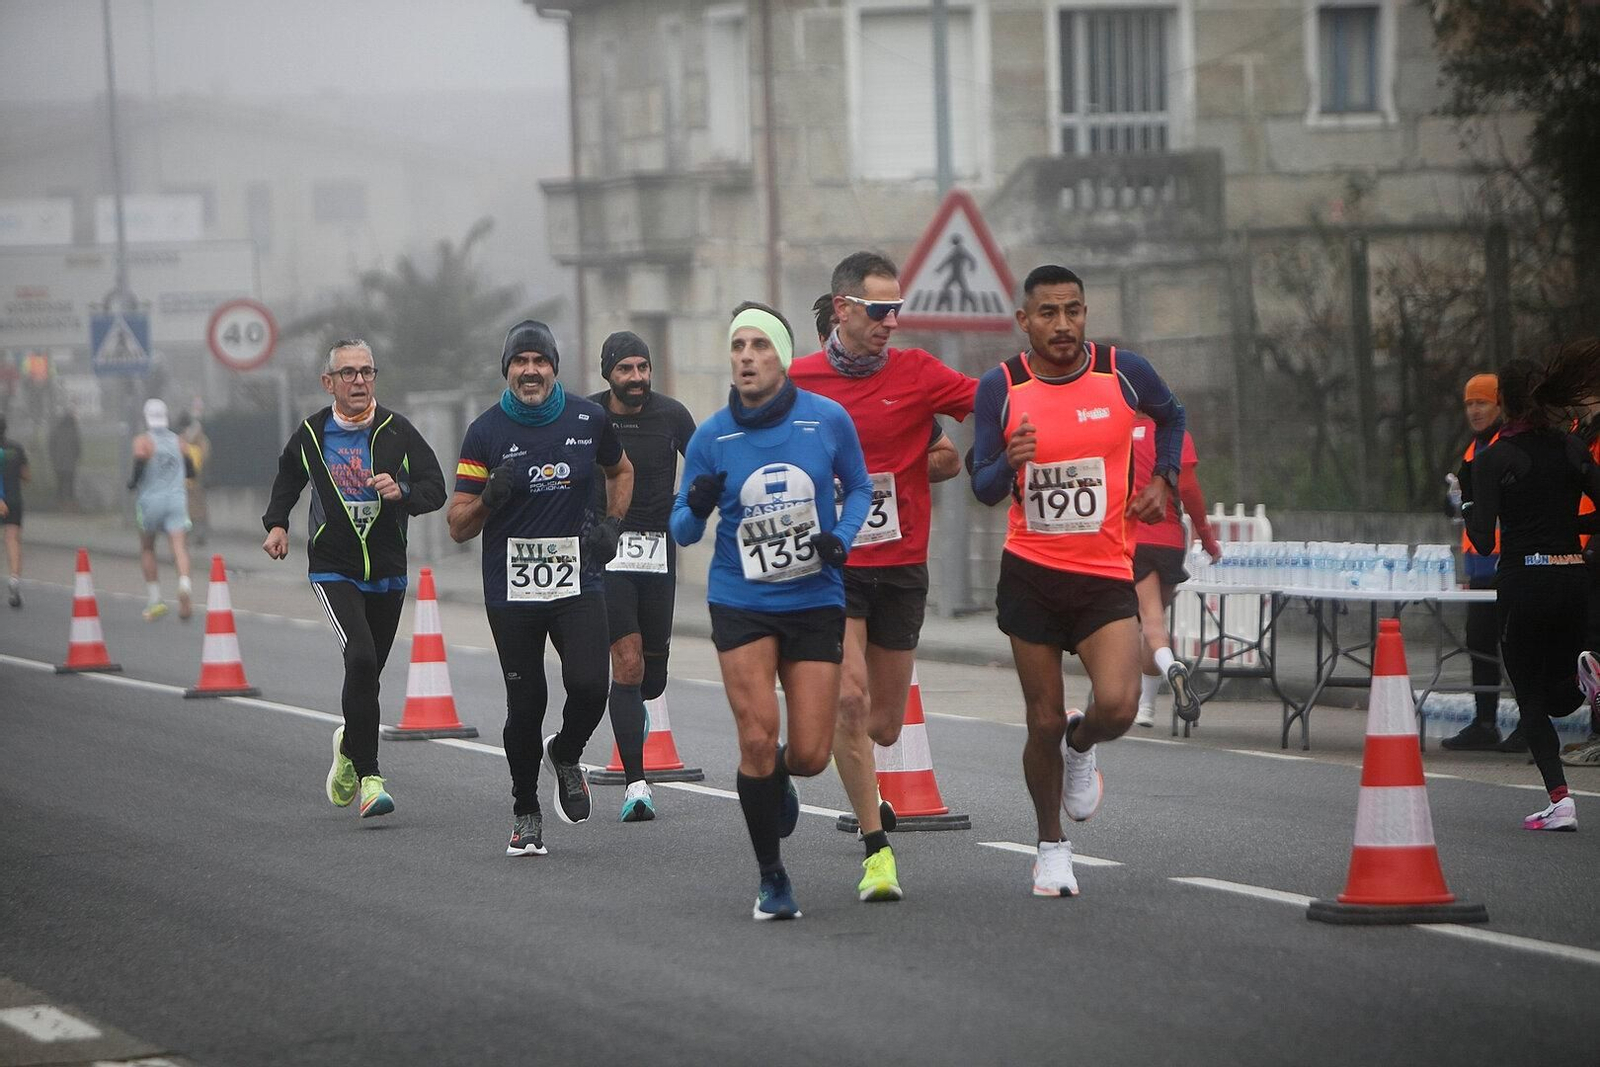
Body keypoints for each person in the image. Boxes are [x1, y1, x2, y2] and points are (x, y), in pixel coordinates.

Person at [969, 265, 1187, 896]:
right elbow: (981, 486)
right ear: (1024, 322)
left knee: (1118, 706)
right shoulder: (1001, 387)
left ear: (1086, 313)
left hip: (1103, 572)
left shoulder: (1123, 372)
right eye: (1047, 313)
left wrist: (1163, 481)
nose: (1062, 325)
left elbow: (1174, 417)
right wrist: (1008, 464)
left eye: (1073, 310)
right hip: (1032, 572)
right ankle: (1050, 847)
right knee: (1039, 719)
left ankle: (1082, 741)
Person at [671, 302, 871, 920]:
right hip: (742, 600)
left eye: (760, 346)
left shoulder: (826, 420)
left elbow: (861, 486)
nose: (747, 357)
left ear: (782, 358)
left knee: (808, 755)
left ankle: (779, 776)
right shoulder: (711, 437)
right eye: (738, 347)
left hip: (814, 598)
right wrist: (697, 503)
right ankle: (772, 877)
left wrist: (843, 536)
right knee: (757, 737)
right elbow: (679, 529)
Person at [791, 255, 977, 903]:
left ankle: (852, 760)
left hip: (899, 566)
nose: (891, 321)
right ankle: (876, 849)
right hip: (831, 566)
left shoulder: (918, 374)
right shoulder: (800, 381)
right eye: (879, 310)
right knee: (847, 700)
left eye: (897, 309)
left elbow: (991, 401)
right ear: (842, 309)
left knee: (885, 723)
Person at [448, 319, 634, 857]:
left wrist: (614, 526)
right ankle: (525, 811)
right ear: (506, 369)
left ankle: (567, 751)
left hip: (578, 580)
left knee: (591, 685)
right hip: (512, 591)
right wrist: (488, 498)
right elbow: (458, 525)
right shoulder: (485, 432)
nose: (530, 371)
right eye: (519, 362)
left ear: (554, 366)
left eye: (540, 361)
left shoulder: (589, 418)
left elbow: (621, 472)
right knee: (525, 703)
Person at [262, 339, 446, 820]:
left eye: (367, 372)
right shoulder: (312, 434)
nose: (359, 381)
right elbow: (287, 478)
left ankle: (348, 745)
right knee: (361, 659)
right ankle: (370, 777)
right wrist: (276, 523)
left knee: (369, 675)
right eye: (348, 373)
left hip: (387, 570)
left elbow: (436, 489)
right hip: (333, 568)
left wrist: (401, 490)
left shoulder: (397, 430)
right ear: (329, 383)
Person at [1463, 341, 1600, 831]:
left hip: (1524, 582)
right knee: (1561, 692)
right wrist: (1576, 532)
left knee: (1530, 694)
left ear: (1506, 402)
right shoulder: (1571, 446)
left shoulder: (1494, 459)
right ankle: (1587, 675)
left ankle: (1561, 800)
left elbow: (1480, 541)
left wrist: (1465, 503)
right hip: (1571, 578)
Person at [587, 330, 697, 822]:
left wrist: (690, 502)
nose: (637, 378)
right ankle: (636, 784)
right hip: (608, 554)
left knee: (651, 678)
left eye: (643, 368)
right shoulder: (589, 416)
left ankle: (636, 709)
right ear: (607, 372)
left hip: (658, 553)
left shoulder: (672, 416)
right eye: (627, 369)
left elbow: (706, 463)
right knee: (626, 665)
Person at [812, 291, 961, 484]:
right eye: (840, 329)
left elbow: (949, 460)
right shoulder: (800, 390)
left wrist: (891, 473)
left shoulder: (897, 390)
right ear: (823, 340)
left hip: (890, 511)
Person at [1130, 415, 1220, 728]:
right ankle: (1146, 708)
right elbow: (1189, 487)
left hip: (1134, 538)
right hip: (1169, 540)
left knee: (1151, 624)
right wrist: (1207, 537)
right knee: (1153, 627)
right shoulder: (1175, 434)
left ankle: (1171, 669)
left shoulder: (1118, 428)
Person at [1441, 373, 1510, 751]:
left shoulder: (1507, 445)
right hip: (1479, 564)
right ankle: (1485, 722)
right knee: (1480, 642)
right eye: (1469, 403)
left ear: (1499, 405)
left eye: (1481, 402)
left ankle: (1530, 725)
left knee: (1515, 645)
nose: (1475, 410)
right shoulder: (1473, 449)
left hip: (1509, 562)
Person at [128, 399, 194, 622]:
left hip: (150, 501)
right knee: (179, 547)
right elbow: (191, 470)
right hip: (176, 500)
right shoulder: (179, 442)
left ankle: (155, 599)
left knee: (147, 548)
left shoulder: (143, 442)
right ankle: (184, 585)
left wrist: (132, 483)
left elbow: (138, 466)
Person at [0, 416, 27, 608]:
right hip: (14, 499)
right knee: (12, 539)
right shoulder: (16, 448)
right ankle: (15, 578)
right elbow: (26, 475)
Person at [175, 411, 212, 545]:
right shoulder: (198, 437)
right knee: (194, 507)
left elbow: (203, 455)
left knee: (196, 508)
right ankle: (195, 535)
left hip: (194, 478)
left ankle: (198, 535)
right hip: (191, 478)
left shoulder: (192, 438)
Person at [48, 406, 81, 512]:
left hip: (58, 463)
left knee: (60, 484)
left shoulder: (56, 430)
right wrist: (76, 458)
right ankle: (70, 504)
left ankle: (59, 504)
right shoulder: (73, 431)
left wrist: (53, 458)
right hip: (70, 463)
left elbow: (51, 446)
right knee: (70, 484)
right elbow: (77, 447)